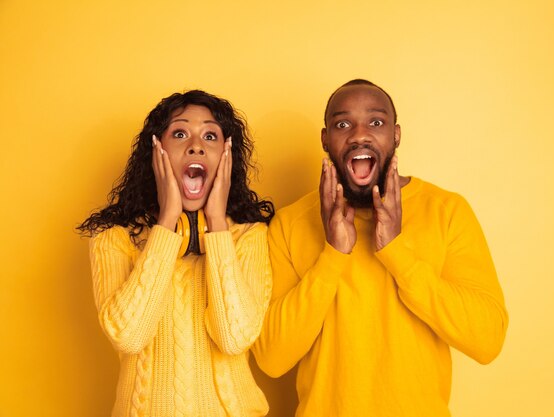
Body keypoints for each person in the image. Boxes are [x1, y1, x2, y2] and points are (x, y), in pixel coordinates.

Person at [252, 79, 508, 416]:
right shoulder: (290, 223)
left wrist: (397, 252)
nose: (360, 134)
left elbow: (487, 340)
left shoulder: (446, 211)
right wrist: (333, 256)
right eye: (343, 124)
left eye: (376, 122)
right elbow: (272, 358)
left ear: (396, 135)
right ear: (326, 139)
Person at [78, 90, 274, 417]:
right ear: (157, 152)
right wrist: (167, 221)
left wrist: (216, 224)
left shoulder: (247, 236)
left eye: (210, 136)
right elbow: (129, 336)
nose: (195, 145)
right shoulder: (114, 237)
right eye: (180, 133)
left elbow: (234, 338)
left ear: (227, 156)